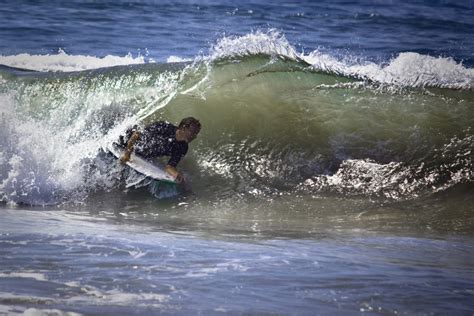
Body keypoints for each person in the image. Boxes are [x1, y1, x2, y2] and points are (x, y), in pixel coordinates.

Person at [119, 117, 201, 183]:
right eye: (192, 132)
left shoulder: (182, 147)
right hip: (124, 140)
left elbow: (169, 167)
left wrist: (178, 176)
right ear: (183, 128)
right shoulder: (164, 127)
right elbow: (136, 135)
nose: (194, 136)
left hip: (140, 154)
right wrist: (127, 154)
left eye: (196, 134)